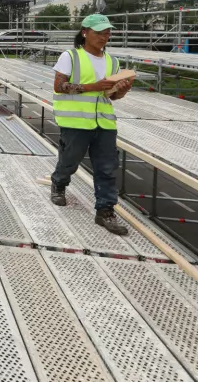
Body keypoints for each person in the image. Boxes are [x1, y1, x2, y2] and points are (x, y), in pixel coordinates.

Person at [49, 13, 134, 235]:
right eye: (99, 32)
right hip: (76, 121)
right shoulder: (71, 56)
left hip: (104, 123)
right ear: (85, 32)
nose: (104, 37)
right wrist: (91, 87)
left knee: (107, 168)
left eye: (107, 33)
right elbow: (59, 85)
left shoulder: (112, 62)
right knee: (70, 160)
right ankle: (59, 183)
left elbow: (111, 97)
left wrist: (120, 90)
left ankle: (105, 211)